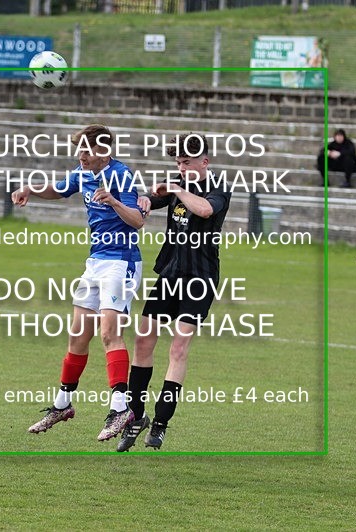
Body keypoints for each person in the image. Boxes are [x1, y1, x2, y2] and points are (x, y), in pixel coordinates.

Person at [11, 124, 144, 441]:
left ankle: (120, 409)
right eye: (79, 150)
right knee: (77, 336)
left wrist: (114, 202)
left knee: (109, 333)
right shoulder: (82, 173)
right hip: (95, 262)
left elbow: (138, 221)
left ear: (104, 152)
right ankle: (62, 404)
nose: (81, 155)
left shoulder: (122, 176)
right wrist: (31, 189)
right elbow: (58, 189)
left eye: (87, 150)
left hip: (121, 262)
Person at [116, 133, 232, 451]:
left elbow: (205, 210)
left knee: (178, 349)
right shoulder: (175, 184)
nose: (181, 168)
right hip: (169, 273)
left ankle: (161, 423)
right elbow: (151, 199)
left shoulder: (219, 188)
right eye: (178, 163)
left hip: (200, 279)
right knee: (142, 341)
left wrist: (178, 190)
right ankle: (135, 417)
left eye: (187, 163)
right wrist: (143, 200)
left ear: (204, 162)